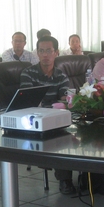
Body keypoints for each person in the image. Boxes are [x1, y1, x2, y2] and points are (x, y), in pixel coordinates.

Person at [19, 36, 74, 194]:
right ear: (37, 53)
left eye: (49, 51)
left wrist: (58, 104)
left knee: (71, 133)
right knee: (60, 138)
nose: (45, 55)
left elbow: (65, 99)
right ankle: (65, 179)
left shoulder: (61, 75)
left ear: (56, 52)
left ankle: (87, 175)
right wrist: (54, 105)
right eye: (41, 51)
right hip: (33, 120)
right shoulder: (28, 73)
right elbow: (29, 102)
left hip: (55, 118)